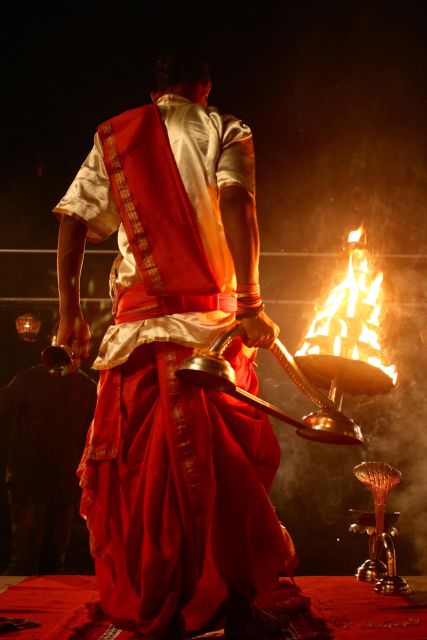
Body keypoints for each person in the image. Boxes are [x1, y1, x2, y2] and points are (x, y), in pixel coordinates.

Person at [53, 53, 296, 639]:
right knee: (230, 472)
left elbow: (73, 221)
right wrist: (253, 305)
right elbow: (239, 203)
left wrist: (70, 317)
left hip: (138, 334)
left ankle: (150, 611)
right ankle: (233, 609)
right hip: (213, 332)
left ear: (154, 87)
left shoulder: (117, 135)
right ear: (204, 85)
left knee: (141, 480)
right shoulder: (225, 128)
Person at [0, 354, 97, 575]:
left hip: (63, 482)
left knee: (54, 561)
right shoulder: (29, 378)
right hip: (29, 480)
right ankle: (12, 609)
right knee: (23, 560)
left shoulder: (87, 387)